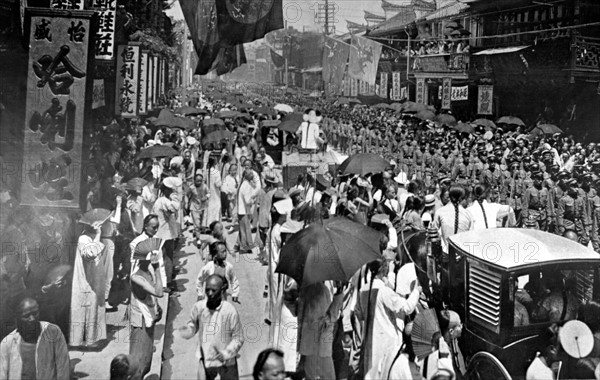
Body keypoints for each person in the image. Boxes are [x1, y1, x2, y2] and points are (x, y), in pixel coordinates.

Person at [354, 259, 421, 380]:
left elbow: (358, 313)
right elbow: (407, 308)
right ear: (383, 270)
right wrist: (416, 291)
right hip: (387, 343)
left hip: (370, 341)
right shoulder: (383, 291)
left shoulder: (363, 290)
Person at [179, 274, 244, 380]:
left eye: (214, 290)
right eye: (207, 289)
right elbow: (193, 324)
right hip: (206, 358)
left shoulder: (229, 310)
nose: (209, 293)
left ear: (222, 291)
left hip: (227, 362)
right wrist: (188, 330)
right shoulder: (199, 307)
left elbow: (238, 338)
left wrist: (227, 353)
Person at [0, 298, 70, 379]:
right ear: (17, 318)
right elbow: (2, 375)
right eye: (26, 316)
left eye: (35, 313)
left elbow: (63, 370)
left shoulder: (53, 332)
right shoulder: (7, 343)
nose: (32, 319)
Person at [70, 217, 108, 347]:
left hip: (95, 277)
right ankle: (83, 340)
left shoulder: (91, 237)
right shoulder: (83, 239)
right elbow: (90, 253)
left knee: (94, 306)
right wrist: (98, 235)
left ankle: (92, 338)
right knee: (87, 306)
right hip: (86, 279)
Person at [297, 281, 344, 380]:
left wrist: (299, 344)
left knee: (310, 374)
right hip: (322, 342)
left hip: (308, 341)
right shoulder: (323, 291)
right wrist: (339, 295)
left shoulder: (305, 290)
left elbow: (300, 318)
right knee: (328, 375)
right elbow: (330, 317)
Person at [129, 244, 164, 378]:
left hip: (149, 318)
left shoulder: (146, 271)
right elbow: (159, 292)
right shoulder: (136, 277)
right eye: (150, 255)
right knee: (138, 362)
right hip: (141, 320)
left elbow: (154, 294)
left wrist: (157, 307)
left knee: (146, 361)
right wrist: (157, 268)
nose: (153, 256)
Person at [152, 176, 182, 292]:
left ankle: (166, 281)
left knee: (166, 258)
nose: (172, 192)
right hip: (164, 234)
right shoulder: (163, 201)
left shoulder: (161, 200)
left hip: (163, 233)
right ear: (166, 190)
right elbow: (174, 208)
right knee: (166, 258)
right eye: (171, 190)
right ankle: (167, 283)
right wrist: (175, 198)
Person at [434, 185, 474, 253]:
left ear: (449, 196)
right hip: (463, 255)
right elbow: (471, 237)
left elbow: (433, 232)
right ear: (462, 198)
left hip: (445, 254)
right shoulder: (468, 214)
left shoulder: (440, 212)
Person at [237, 168, 259, 254]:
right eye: (251, 174)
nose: (253, 175)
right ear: (247, 176)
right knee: (245, 229)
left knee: (244, 228)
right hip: (243, 211)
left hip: (243, 211)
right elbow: (247, 200)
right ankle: (244, 247)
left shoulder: (246, 184)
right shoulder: (245, 185)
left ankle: (241, 245)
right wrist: (253, 201)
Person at [205, 157, 222, 227]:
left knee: (209, 209)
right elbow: (218, 184)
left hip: (208, 192)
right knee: (216, 208)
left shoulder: (206, 171)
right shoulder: (217, 172)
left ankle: (208, 224)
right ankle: (215, 224)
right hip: (215, 194)